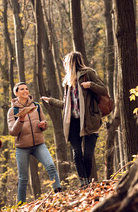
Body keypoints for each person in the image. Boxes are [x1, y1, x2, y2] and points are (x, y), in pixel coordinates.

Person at [41, 51, 108, 187]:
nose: (64, 65)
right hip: (73, 123)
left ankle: (88, 181)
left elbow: (104, 90)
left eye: (65, 62)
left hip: (89, 120)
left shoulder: (88, 73)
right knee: (77, 154)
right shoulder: (67, 81)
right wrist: (51, 101)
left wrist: (91, 85)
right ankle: (84, 183)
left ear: (71, 62)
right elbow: (66, 106)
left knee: (88, 155)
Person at [7, 82, 62, 205]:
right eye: (22, 89)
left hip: (38, 144)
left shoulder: (36, 106)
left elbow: (44, 123)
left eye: (26, 89)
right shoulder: (12, 111)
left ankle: (59, 195)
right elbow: (12, 132)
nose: (25, 91)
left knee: (51, 166)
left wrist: (44, 125)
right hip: (22, 148)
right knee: (23, 178)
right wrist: (20, 120)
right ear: (16, 93)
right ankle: (20, 205)